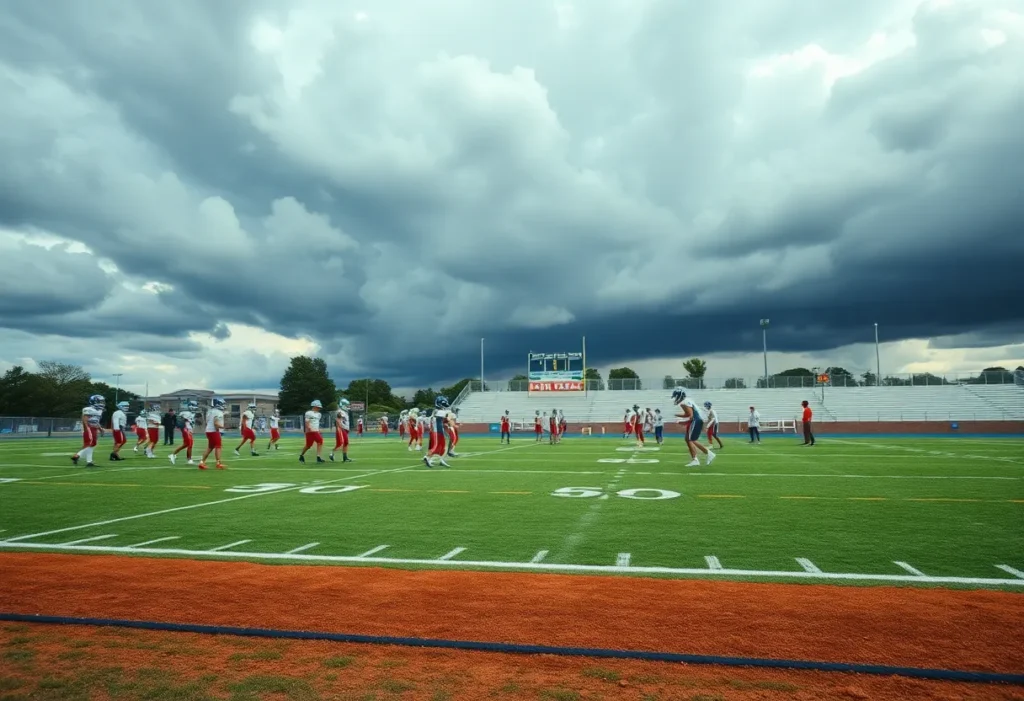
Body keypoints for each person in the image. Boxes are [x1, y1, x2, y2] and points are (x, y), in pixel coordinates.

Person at [672, 389, 715, 467]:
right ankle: (695, 459)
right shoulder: (686, 401)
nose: (675, 399)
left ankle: (708, 453)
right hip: (697, 420)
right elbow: (688, 414)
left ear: (679, 396)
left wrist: (682, 422)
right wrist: (677, 415)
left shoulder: (683, 403)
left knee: (691, 440)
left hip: (696, 421)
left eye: (676, 397)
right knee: (687, 439)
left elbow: (691, 416)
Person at [71, 394, 105, 468]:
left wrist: (100, 429)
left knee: (92, 444)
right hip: (89, 427)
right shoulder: (88, 409)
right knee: (89, 443)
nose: (102, 403)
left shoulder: (99, 410)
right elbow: (85, 419)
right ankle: (77, 455)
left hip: (94, 428)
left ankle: (89, 461)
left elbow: (96, 421)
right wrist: (87, 428)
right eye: (100, 401)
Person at [198, 397, 227, 470]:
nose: (223, 405)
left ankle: (202, 462)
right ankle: (218, 463)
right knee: (218, 446)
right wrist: (223, 427)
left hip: (208, 430)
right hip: (214, 431)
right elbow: (216, 423)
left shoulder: (210, 411)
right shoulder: (218, 412)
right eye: (222, 404)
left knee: (210, 447)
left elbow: (208, 421)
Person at [423, 395, 451, 468]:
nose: (444, 406)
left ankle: (441, 460)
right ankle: (427, 457)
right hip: (436, 432)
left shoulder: (436, 411)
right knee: (436, 447)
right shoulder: (440, 412)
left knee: (443, 447)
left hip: (437, 431)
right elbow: (447, 419)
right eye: (443, 404)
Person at [170, 401, 197, 465]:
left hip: (189, 429)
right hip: (186, 429)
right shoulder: (186, 413)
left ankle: (173, 454)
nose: (195, 408)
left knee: (186, 444)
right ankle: (189, 459)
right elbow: (181, 421)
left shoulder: (190, 413)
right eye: (194, 406)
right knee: (189, 444)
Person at [330, 398, 353, 463]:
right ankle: (332, 453)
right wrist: (340, 428)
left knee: (345, 443)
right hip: (341, 429)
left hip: (345, 429)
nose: (348, 406)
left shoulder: (345, 412)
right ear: (343, 405)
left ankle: (345, 457)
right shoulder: (340, 412)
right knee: (340, 443)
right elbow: (338, 420)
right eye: (347, 405)